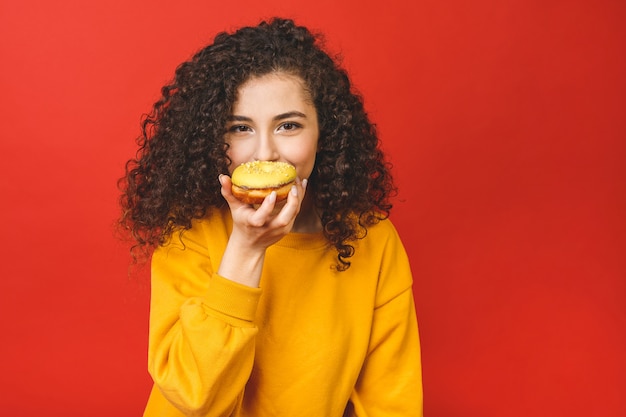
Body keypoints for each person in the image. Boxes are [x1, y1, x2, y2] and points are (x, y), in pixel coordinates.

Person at [119, 17, 423, 417]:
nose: (265, 153)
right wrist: (245, 250)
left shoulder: (371, 238)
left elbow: (391, 400)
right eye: (241, 128)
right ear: (216, 139)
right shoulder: (190, 231)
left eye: (289, 125)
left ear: (323, 133)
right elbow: (195, 399)